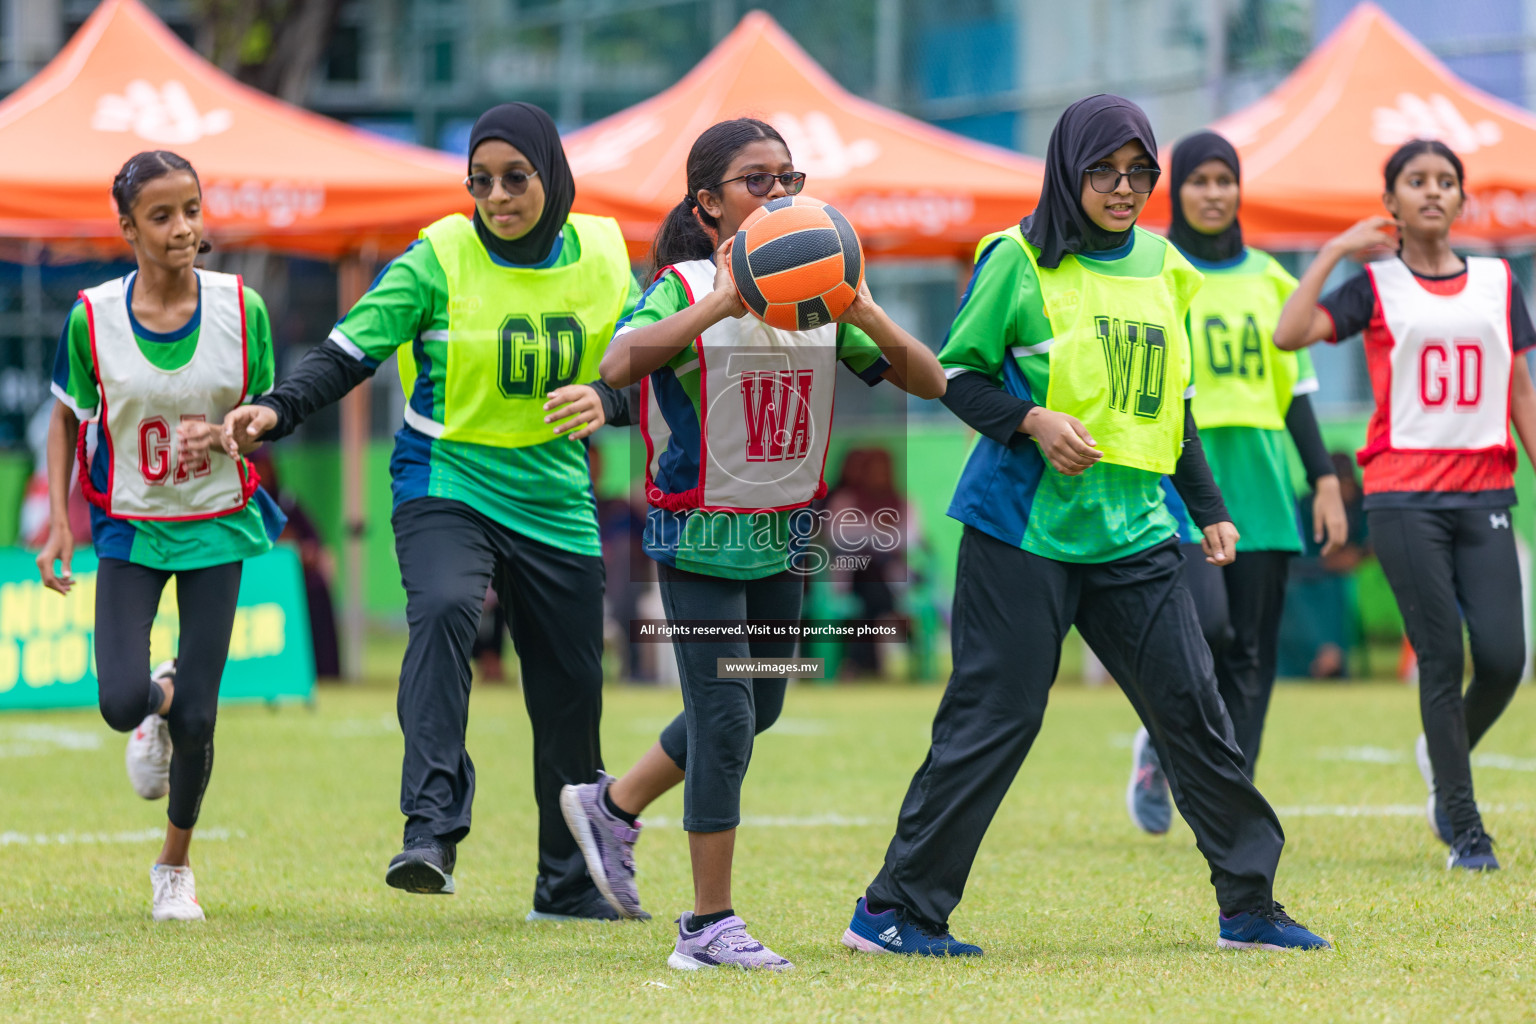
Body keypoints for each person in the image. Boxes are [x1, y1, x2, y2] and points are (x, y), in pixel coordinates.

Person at [838, 95, 1330, 957]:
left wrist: (1208, 510)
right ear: (1069, 168)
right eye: (1105, 169)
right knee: (996, 718)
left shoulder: (1168, 268)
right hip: (1019, 532)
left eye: (1140, 172)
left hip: (1136, 530)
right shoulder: (1015, 260)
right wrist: (1032, 422)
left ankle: (1250, 907)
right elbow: (953, 376)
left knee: (1196, 711)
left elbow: (1174, 407)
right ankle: (894, 912)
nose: (1124, 187)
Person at [223, 103, 644, 920]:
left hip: (555, 497)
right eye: (480, 181)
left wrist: (612, 400)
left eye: (514, 178)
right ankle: (430, 832)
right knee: (448, 607)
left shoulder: (602, 250)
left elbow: (645, 354)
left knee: (569, 689)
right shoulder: (438, 256)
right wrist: (275, 410)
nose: (496, 195)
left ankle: (565, 889)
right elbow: (352, 350)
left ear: (550, 176)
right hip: (445, 480)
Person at [558, 117, 946, 971]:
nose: (778, 196)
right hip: (696, 534)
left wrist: (869, 308)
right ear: (707, 204)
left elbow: (932, 382)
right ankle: (708, 927)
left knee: (760, 707)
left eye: (788, 180)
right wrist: (723, 302)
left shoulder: (821, 297)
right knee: (727, 715)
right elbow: (620, 362)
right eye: (755, 181)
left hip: (783, 535)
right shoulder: (685, 283)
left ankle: (611, 805)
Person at [1273, 138, 1536, 872]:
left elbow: (1518, 391)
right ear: (1390, 201)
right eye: (1415, 181)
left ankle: (1438, 756)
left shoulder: (1496, 281)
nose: (1431, 191)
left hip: (1485, 490)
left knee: (1508, 660)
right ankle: (1465, 828)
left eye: (1445, 181)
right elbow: (1289, 334)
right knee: (1441, 658)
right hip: (1403, 495)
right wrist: (1332, 251)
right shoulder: (1374, 286)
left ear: (1461, 200)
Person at [36, 150, 285, 922]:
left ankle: (173, 870)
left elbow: (264, 415)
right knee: (119, 701)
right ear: (127, 227)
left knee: (202, 721)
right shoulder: (93, 318)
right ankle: (158, 698)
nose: (182, 229)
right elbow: (64, 416)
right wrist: (57, 522)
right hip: (132, 526)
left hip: (216, 519)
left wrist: (231, 436)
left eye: (191, 210)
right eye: (161, 215)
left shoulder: (243, 309)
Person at [1125, 130, 1349, 834]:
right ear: (1178, 190)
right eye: (1200, 181)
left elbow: (1298, 393)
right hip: (1182, 475)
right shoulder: (1153, 271)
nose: (1215, 194)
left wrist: (1325, 480)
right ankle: (1161, 749)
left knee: (1253, 650)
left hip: (1261, 481)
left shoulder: (1276, 281)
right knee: (1208, 631)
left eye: (1226, 180)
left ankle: (1231, 801)